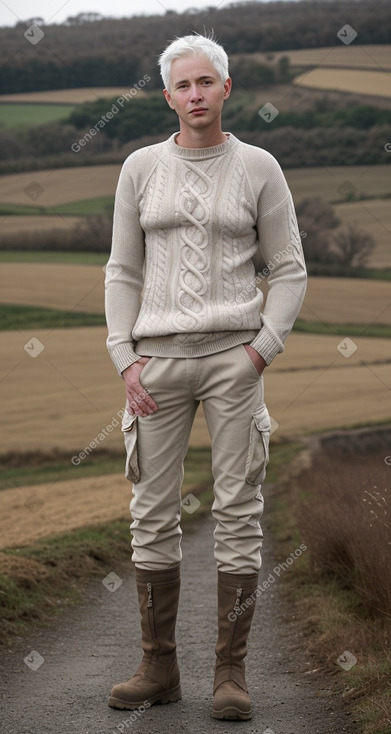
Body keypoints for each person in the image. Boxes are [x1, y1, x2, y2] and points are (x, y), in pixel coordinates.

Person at [104, 31, 307, 721]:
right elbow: (121, 271)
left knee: (238, 513)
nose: (194, 94)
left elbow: (288, 270)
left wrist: (260, 351)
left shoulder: (259, 167)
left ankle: (231, 675)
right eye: (182, 85)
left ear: (226, 88)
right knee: (151, 515)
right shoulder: (138, 168)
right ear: (168, 95)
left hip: (234, 360)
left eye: (205, 82)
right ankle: (157, 668)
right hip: (153, 363)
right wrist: (125, 358)